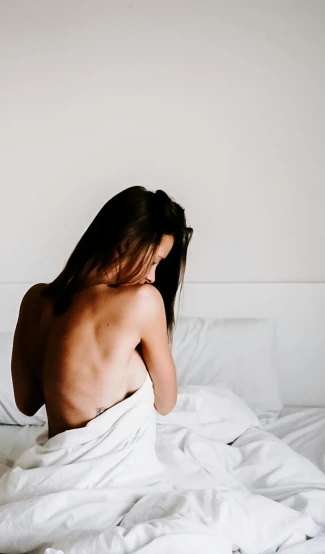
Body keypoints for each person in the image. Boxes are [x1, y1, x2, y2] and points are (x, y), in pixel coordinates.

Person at [11, 185, 193, 438]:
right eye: (154, 262)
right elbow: (165, 403)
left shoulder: (34, 299)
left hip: (51, 463)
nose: (152, 276)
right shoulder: (143, 300)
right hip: (110, 467)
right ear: (125, 244)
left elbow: (26, 404)